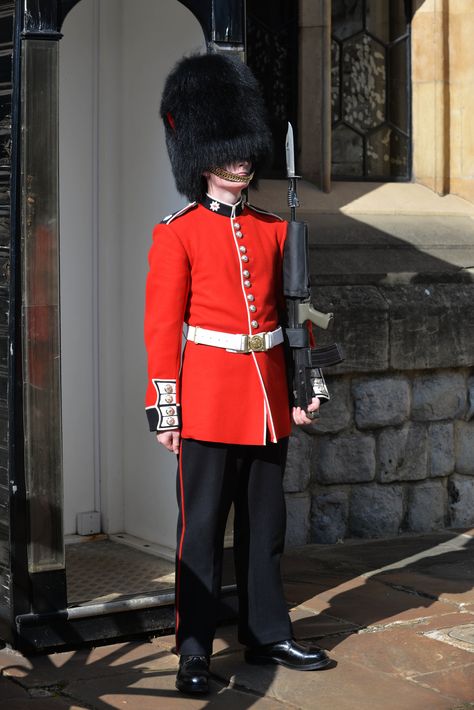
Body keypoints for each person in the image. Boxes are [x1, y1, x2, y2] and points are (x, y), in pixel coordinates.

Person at [144, 53, 331, 696]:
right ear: (204, 154)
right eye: (230, 151)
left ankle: (267, 630)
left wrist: (304, 385)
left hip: (267, 398)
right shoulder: (178, 234)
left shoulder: (275, 231)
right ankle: (193, 648)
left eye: (246, 150)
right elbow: (164, 330)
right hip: (206, 398)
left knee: (266, 526)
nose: (243, 162)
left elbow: (292, 312)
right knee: (201, 531)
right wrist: (165, 409)